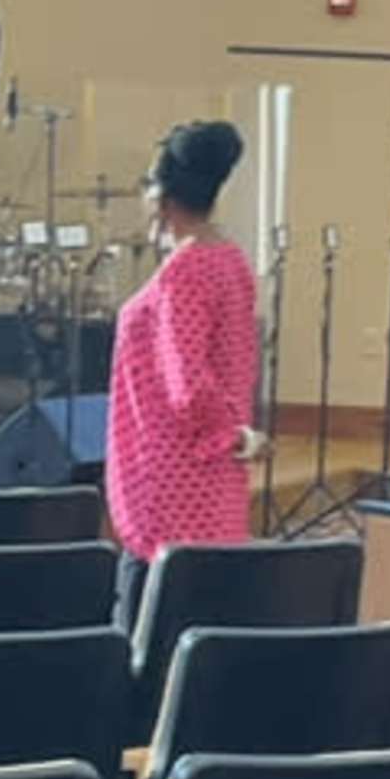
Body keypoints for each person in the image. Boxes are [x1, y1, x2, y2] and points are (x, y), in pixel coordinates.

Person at [106, 118, 261, 605]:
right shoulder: (230, 259)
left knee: (147, 638)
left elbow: (187, 383)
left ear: (160, 197)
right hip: (214, 481)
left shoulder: (186, 271)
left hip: (172, 483)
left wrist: (231, 435)